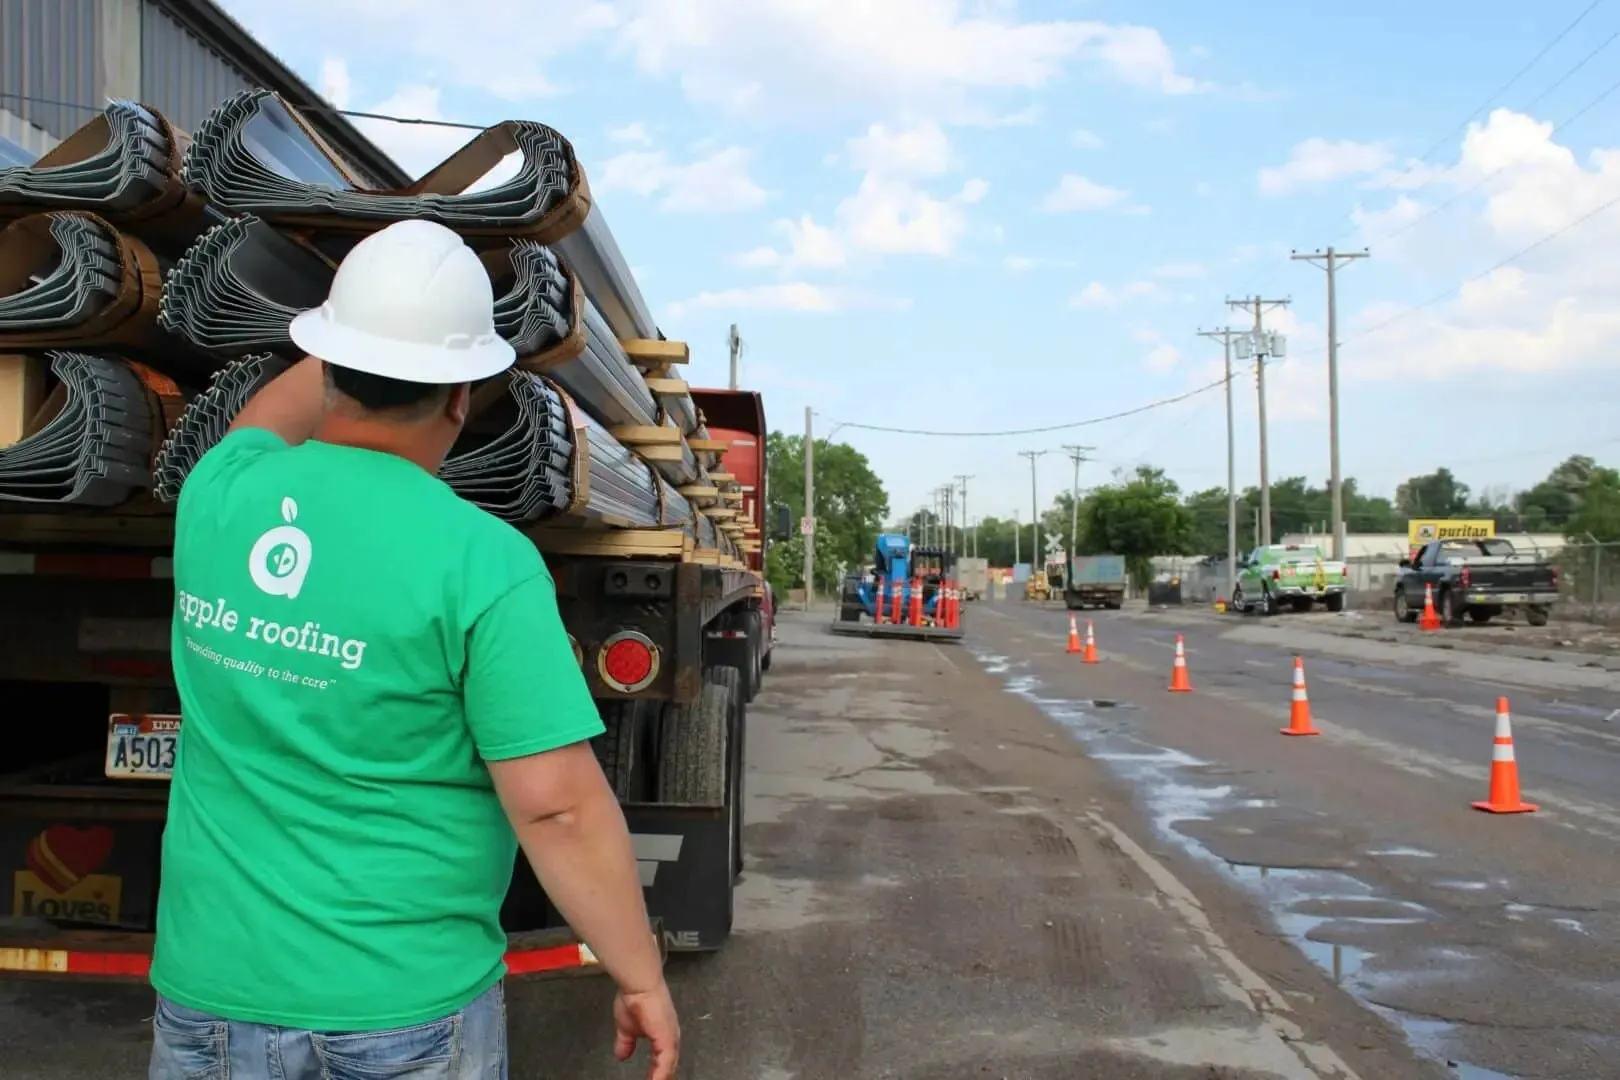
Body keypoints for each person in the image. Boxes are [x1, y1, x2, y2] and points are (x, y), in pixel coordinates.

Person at [150, 219, 680, 1080]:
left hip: (207, 1004)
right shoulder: (484, 562)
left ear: (330, 364)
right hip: (400, 1014)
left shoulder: (219, 493)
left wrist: (364, 323)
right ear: (463, 394)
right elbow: (557, 809)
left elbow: (273, 412)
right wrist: (639, 973)